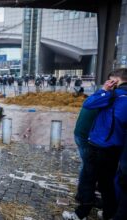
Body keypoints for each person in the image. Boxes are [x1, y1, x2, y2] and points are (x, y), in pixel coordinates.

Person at [63, 68, 127, 220]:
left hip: (99, 145)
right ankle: (109, 213)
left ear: (115, 81)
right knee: (107, 183)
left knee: (88, 180)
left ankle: (81, 214)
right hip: (115, 147)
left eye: (110, 80)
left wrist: (104, 89)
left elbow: (88, 103)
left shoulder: (114, 95)